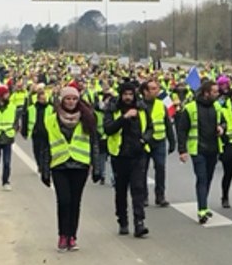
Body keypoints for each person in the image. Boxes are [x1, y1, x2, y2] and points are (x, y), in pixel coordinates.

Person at [43, 85, 97, 252]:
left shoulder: (88, 117)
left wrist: (96, 167)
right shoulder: (51, 119)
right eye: (68, 99)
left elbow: (94, 143)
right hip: (59, 165)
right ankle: (62, 235)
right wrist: (44, 169)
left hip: (80, 164)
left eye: (74, 99)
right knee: (64, 201)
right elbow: (45, 146)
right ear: (62, 100)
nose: (71, 102)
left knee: (75, 202)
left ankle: (72, 236)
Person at [103, 81, 151, 238]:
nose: (128, 97)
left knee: (138, 189)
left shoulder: (142, 108)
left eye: (131, 94)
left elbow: (150, 128)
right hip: (119, 155)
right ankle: (122, 221)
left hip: (138, 155)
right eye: (125, 94)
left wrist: (144, 140)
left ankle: (139, 223)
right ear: (121, 95)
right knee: (121, 191)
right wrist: (124, 117)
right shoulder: (112, 109)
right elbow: (108, 129)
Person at [176, 80, 224, 224]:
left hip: (214, 147)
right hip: (198, 149)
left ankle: (204, 204)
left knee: (208, 178)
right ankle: (202, 209)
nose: (217, 94)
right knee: (202, 178)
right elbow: (182, 130)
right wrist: (182, 150)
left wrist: (222, 128)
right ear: (206, 93)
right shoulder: (190, 108)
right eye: (214, 92)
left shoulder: (217, 106)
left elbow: (224, 122)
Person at [140, 79, 175, 207]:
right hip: (144, 143)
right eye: (153, 89)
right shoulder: (139, 105)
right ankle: (143, 197)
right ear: (145, 91)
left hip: (159, 141)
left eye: (157, 88)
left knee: (160, 169)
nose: (157, 91)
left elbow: (168, 124)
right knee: (142, 170)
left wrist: (172, 142)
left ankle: (160, 196)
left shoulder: (161, 105)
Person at [26, 84, 52, 185]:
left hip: (46, 133)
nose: (43, 100)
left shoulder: (50, 108)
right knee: (37, 151)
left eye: (44, 99)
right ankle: (39, 164)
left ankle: (44, 166)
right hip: (36, 132)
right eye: (42, 99)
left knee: (46, 151)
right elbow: (26, 119)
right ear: (38, 99)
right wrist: (25, 131)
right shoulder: (32, 108)